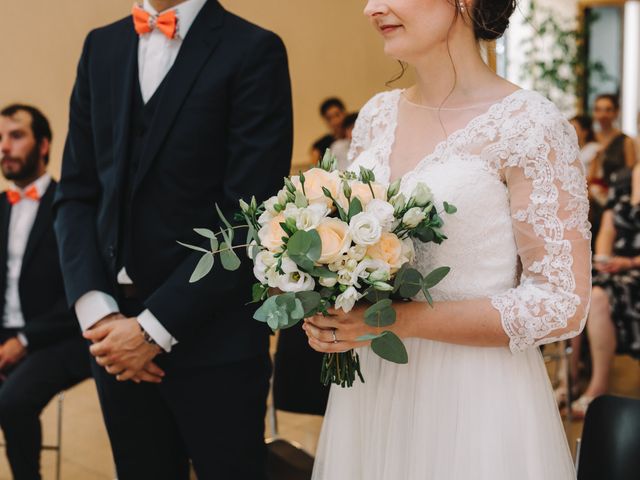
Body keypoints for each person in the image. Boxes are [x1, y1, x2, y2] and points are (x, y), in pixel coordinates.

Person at [303, 1, 591, 479]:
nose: (372, 8)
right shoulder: (377, 115)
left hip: (473, 401)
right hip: (373, 389)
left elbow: (562, 302)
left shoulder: (530, 125)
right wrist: (329, 305)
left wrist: (395, 319)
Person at [53, 1, 292, 479]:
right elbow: (77, 195)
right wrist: (100, 315)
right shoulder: (100, 45)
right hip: (114, 338)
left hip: (216, 338)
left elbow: (246, 219)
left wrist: (151, 330)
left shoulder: (253, 49)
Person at [0, 104, 91, 480]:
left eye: (16, 135)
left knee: (12, 401)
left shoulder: (70, 204)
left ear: (43, 145)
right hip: (5, 334)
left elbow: (80, 289)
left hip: (59, 338)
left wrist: (23, 339)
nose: (4, 146)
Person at [569, 164, 640, 417]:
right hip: (616, 264)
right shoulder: (622, 177)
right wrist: (602, 257)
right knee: (575, 287)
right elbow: (608, 228)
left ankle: (598, 386)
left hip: (634, 267)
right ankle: (569, 377)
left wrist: (628, 263)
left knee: (598, 296)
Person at [587, 94, 637, 239]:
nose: (603, 115)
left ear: (616, 112)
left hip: (614, 198)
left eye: (608, 110)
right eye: (598, 110)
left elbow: (630, 174)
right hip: (587, 196)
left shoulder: (625, 141)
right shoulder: (589, 138)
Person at [310, 97, 347, 165]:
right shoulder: (319, 147)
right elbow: (313, 170)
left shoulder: (355, 139)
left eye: (337, 115)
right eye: (329, 118)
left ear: (345, 113)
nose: (335, 121)